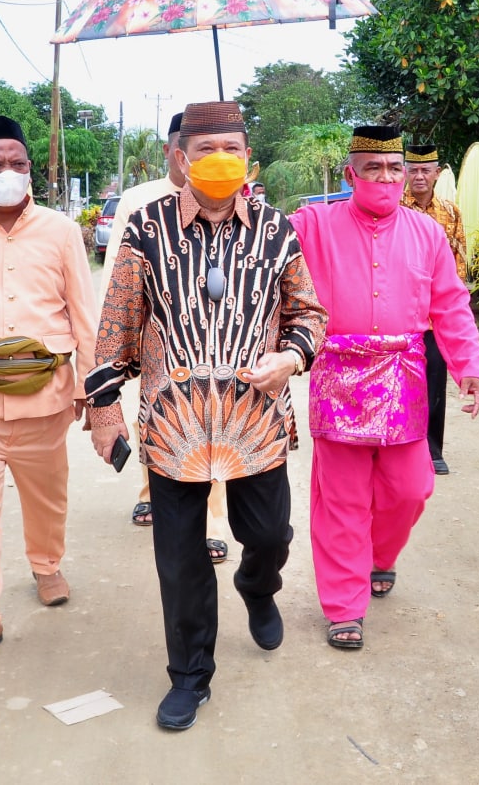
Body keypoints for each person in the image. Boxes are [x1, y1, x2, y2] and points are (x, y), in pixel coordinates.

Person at [85, 100, 326, 730]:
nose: (218, 162)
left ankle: (257, 586)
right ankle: (190, 675)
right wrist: (104, 407)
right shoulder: (144, 230)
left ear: (248, 156)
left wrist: (292, 359)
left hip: (254, 418)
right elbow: (117, 323)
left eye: (230, 150)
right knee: (180, 559)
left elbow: (310, 315)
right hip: (175, 425)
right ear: (179, 159)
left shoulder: (278, 230)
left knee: (270, 534)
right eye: (204, 152)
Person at [289, 126, 479, 650]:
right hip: (339, 374)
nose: (385, 178)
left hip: (403, 375)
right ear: (351, 173)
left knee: (411, 486)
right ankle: (343, 607)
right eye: (372, 169)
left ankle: (380, 554)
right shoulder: (313, 223)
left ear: (407, 175)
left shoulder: (428, 233)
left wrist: (469, 364)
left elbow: (450, 304)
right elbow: (263, 239)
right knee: (342, 496)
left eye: (394, 169)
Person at [0, 115, 98, 669]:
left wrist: (90, 388)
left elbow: (83, 313)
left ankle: (46, 564)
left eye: (18, 164)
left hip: (46, 399)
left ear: (32, 169)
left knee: (47, 497)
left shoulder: (59, 231)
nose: (8, 173)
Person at [101, 112, 230, 562]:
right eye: (195, 148)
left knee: (212, 421)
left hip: (215, 336)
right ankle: (152, 489)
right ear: (173, 152)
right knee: (155, 415)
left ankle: (211, 522)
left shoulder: (231, 197)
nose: (208, 159)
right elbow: (118, 274)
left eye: (221, 149)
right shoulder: (139, 201)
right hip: (156, 334)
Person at [401, 143, 469, 475]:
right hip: (401, 314)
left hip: (435, 316)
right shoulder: (395, 209)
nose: (419, 176)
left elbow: (457, 268)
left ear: (437, 173)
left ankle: (433, 449)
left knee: (434, 382)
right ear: (404, 173)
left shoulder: (451, 214)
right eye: (412, 169)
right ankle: (401, 448)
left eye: (425, 170)